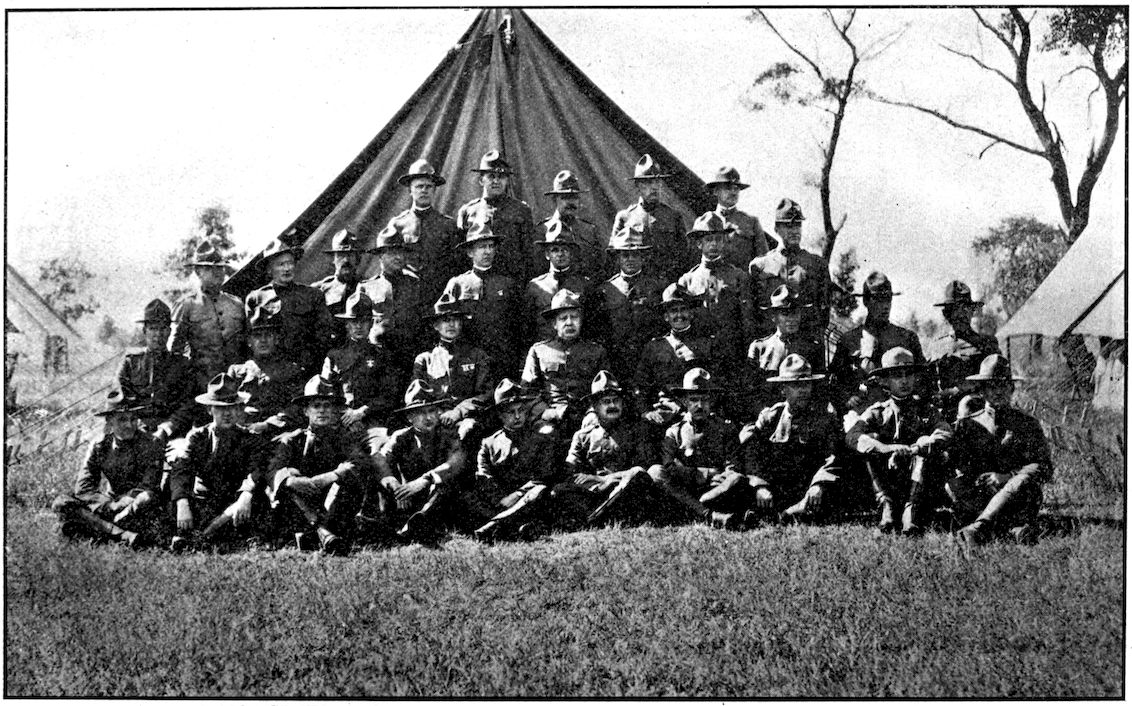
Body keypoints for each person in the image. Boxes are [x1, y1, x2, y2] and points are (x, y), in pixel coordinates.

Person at [846, 347, 952, 535]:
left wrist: (917, 447)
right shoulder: (878, 412)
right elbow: (853, 436)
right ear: (884, 381)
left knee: (925, 441)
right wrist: (886, 448)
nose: (904, 381)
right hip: (887, 479)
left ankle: (911, 510)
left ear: (916, 378)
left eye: (908, 375)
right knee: (871, 441)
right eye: (896, 376)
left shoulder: (926, 410)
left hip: (920, 482)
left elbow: (944, 432)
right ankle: (886, 505)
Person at [950, 355, 1052, 548]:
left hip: (1017, 496)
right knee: (954, 484)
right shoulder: (967, 425)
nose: (998, 391)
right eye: (991, 386)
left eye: (1003, 386)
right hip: (981, 494)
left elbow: (1044, 466)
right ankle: (1011, 530)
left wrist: (1008, 476)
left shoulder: (1027, 424)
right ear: (981, 391)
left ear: (1011, 389)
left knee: (1024, 480)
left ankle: (977, 529)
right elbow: (958, 463)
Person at [267, 375, 372, 555]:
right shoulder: (292, 440)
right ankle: (322, 532)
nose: (322, 411)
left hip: (334, 504)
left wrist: (331, 476)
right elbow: (273, 469)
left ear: (334, 411)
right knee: (289, 474)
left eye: (327, 406)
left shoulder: (343, 438)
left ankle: (316, 532)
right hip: (301, 503)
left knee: (347, 477)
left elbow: (359, 462)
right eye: (316, 406)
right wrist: (291, 481)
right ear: (306, 411)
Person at [168, 373, 270, 551]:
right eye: (220, 408)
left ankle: (204, 536)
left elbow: (256, 471)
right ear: (209, 410)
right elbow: (181, 469)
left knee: (257, 500)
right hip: (205, 500)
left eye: (232, 408)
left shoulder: (250, 439)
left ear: (239, 409)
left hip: (236, 501)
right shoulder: (197, 437)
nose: (227, 413)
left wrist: (245, 494)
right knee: (174, 499)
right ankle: (195, 534)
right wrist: (182, 502)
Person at [740, 354, 845, 524]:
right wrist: (760, 485)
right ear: (783, 389)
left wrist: (819, 484)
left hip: (809, 488)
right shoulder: (770, 418)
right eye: (796, 385)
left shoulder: (824, 419)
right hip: (776, 488)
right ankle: (779, 513)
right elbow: (752, 456)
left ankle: (788, 514)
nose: (803, 390)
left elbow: (833, 456)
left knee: (832, 493)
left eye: (806, 384)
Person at [51, 391, 163, 548]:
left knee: (147, 498)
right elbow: (84, 489)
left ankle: (103, 530)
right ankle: (122, 535)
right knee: (62, 503)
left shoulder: (151, 443)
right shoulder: (99, 446)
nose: (129, 425)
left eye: (133, 419)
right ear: (109, 422)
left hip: (135, 507)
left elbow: (149, 484)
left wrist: (125, 503)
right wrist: (109, 505)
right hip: (109, 505)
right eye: (122, 420)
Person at [554, 371, 663, 528]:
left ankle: (593, 519)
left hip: (625, 487)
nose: (612, 405)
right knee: (559, 489)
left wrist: (605, 479)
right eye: (606, 402)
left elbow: (644, 467)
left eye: (616, 400)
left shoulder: (636, 431)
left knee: (637, 474)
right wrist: (595, 482)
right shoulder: (582, 436)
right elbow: (571, 469)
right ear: (595, 406)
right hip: (595, 491)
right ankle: (600, 515)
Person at [648, 368, 747, 529]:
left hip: (716, 490)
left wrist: (716, 478)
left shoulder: (725, 429)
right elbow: (668, 467)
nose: (700, 405)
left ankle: (699, 508)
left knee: (737, 479)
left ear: (712, 402)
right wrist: (707, 473)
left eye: (705, 400)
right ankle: (709, 515)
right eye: (694, 400)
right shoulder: (674, 431)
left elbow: (732, 467)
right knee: (655, 471)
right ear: (685, 401)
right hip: (684, 490)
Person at [373, 380, 467, 543]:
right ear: (410, 417)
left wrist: (424, 480)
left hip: (437, 498)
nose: (429, 417)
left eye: (432, 410)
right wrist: (396, 487)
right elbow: (380, 460)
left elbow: (455, 463)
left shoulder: (448, 435)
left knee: (443, 485)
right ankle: (381, 523)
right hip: (408, 497)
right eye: (421, 413)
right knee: (379, 479)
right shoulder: (401, 437)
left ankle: (417, 523)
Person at [468, 378, 562, 541]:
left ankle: (494, 527)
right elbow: (484, 477)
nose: (518, 416)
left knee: (540, 492)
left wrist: (517, 495)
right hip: (499, 501)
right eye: (511, 412)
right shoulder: (488, 443)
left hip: (527, 498)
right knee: (467, 496)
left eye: (521, 410)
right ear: (500, 415)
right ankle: (514, 527)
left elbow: (542, 477)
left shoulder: (541, 439)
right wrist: (500, 498)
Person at [829, 271, 924, 417]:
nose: (885, 306)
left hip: (901, 412)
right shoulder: (849, 341)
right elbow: (835, 383)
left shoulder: (907, 338)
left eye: (888, 299)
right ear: (866, 301)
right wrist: (847, 398)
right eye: (878, 300)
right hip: (862, 413)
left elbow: (923, 379)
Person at [322, 290, 404, 456]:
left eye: (363, 321)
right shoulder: (334, 356)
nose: (358, 326)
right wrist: (346, 415)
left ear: (371, 323)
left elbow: (390, 395)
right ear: (346, 324)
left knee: (381, 451)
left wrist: (361, 412)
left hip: (373, 423)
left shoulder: (383, 356)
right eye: (353, 322)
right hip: (339, 422)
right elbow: (325, 391)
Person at [521, 289, 610, 435]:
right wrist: (543, 410)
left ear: (581, 321)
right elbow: (527, 390)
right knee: (545, 434)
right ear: (554, 324)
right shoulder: (539, 351)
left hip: (587, 415)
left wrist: (593, 412)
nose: (569, 322)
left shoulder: (596, 351)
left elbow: (605, 390)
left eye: (574, 317)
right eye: (563, 318)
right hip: (550, 414)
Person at [411, 292, 493, 445]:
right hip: (435, 419)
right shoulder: (425, 360)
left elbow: (486, 393)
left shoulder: (477, 356)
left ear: (461, 323)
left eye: (455, 320)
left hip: (467, 417)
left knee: (469, 429)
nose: (451, 325)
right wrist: (439, 414)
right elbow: (417, 398)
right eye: (445, 320)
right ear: (436, 325)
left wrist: (458, 412)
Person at [679, 211, 757, 369]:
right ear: (699, 244)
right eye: (708, 240)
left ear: (724, 243)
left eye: (718, 239)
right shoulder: (688, 280)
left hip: (732, 355)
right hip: (700, 356)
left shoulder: (738, 276)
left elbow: (747, 321)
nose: (713, 244)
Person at [442, 221, 522, 376]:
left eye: (491, 246)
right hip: (469, 359)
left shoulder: (507, 284)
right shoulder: (458, 284)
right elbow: (444, 321)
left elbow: (519, 324)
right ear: (470, 252)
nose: (487, 252)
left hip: (503, 358)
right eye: (482, 247)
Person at [635, 284, 721, 429]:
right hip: (666, 411)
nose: (679, 315)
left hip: (700, 410)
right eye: (674, 311)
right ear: (666, 317)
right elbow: (641, 385)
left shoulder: (707, 344)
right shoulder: (654, 347)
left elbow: (719, 382)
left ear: (691, 314)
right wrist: (646, 411)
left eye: (683, 310)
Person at [244, 237, 332, 375]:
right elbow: (250, 339)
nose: (287, 269)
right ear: (269, 269)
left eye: (290, 263)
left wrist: (307, 363)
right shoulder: (256, 298)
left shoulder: (312, 295)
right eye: (280, 264)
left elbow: (323, 335)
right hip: (270, 370)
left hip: (305, 367)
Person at [749, 198, 831, 341]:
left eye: (798, 225)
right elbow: (753, 313)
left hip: (806, 343)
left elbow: (824, 312)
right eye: (788, 226)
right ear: (776, 229)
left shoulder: (817, 264)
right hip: (771, 344)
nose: (794, 231)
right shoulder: (760, 266)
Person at [117, 298, 198, 443]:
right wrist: (137, 427)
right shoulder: (130, 363)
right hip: (134, 433)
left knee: (181, 457)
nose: (158, 335)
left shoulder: (183, 365)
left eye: (162, 328)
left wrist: (167, 428)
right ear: (144, 331)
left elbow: (188, 404)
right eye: (153, 329)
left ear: (169, 331)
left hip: (173, 435)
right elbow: (120, 401)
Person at [168, 240, 246, 387]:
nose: (217, 272)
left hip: (235, 383)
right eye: (210, 268)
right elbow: (174, 351)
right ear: (198, 272)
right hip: (201, 384)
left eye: (220, 267)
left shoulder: (237, 304)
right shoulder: (186, 305)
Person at [594, 225, 666, 380]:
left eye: (635, 254)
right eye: (625, 255)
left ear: (643, 257)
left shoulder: (657, 287)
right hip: (617, 361)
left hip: (651, 359)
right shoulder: (606, 290)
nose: (631, 259)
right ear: (618, 258)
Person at [386, 158, 461, 305]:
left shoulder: (448, 225)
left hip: (440, 296)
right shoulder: (397, 225)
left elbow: (458, 265)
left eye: (428, 186)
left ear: (434, 190)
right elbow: (389, 266)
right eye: (419, 186)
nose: (424, 190)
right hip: (406, 298)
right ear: (410, 190)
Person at [357, 221, 427, 373]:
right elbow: (360, 325)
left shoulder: (416, 284)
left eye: (400, 252)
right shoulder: (367, 287)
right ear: (380, 256)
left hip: (409, 353)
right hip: (378, 354)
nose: (398, 257)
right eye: (391, 253)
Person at [455, 150, 535, 282]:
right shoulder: (468, 211)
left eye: (501, 177)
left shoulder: (521, 210)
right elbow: (461, 256)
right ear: (481, 180)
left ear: (507, 180)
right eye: (491, 176)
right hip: (478, 284)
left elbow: (529, 254)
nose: (496, 181)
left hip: (513, 282)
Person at [925, 280, 1001, 419]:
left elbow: (998, 382)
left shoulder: (987, 344)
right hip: (944, 416)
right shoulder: (936, 347)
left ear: (972, 311)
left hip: (979, 413)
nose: (961, 314)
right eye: (955, 309)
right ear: (946, 313)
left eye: (965, 308)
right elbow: (927, 384)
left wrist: (961, 389)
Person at [227, 306, 307, 436]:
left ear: (276, 339)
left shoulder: (292, 370)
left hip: (278, 432)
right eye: (257, 336)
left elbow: (297, 407)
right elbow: (227, 405)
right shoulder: (237, 371)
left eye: (268, 335)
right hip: (243, 429)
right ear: (249, 341)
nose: (263, 340)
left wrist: (268, 424)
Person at [612, 154, 691, 283]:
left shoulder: (673, 217)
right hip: (635, 286)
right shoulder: (625, 217)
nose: (654, 187)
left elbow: (684, 257)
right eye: (648, 182)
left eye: (657, 181)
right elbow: (615, 258)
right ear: (638, 185)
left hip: (667, 284)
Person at [746, 284, 825, 411]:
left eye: (795, 313)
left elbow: (819, 391)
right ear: (773, 317)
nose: (792, 319)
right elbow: (751, 392)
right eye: (785, 314)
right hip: (767, 415)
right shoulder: (760, 348)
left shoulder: (812, 348)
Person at [524, 221, 594, 345]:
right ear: (547, 254)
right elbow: (527, 328)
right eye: (555, 250)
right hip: (546, 353)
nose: (560, 254)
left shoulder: (584, 285)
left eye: (565, 249)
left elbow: (592, 326)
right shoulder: (535, 287)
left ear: (571, 253)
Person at [538, 170, 607, 280]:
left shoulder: (589, 230)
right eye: (565, 197)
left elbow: (600, 268)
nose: (571, 202)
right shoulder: (542, 230)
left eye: (574, 197)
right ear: (554, 199)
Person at [704, 166, 774, 268]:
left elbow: (763, 261)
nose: (733, 192)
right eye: (728, 188)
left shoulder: (751, 222)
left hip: (742, 282)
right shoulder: (704, 222)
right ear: (716, 191)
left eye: (736, 188)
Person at [312, 228, 367, 350]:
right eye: (341, 255)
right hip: (327, 351)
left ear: (358, 259)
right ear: (333, 259)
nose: (346, 260)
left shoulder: (369, 287)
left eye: (350, 255)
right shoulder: (318, 290)